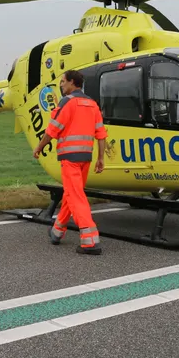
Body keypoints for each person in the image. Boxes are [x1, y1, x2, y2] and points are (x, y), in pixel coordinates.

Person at [33, 70, 107, 255]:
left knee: (76, 197)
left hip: (69, 158)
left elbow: (52, 130)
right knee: (71, 193)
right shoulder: (92, 104)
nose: (61, 85)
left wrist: (39, 147)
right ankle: (57, 231)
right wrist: (100, 158)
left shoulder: (67, 103)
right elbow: (101, 133)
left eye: (63, 82)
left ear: (73, 83)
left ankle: (90, 240)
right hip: (85, 158)